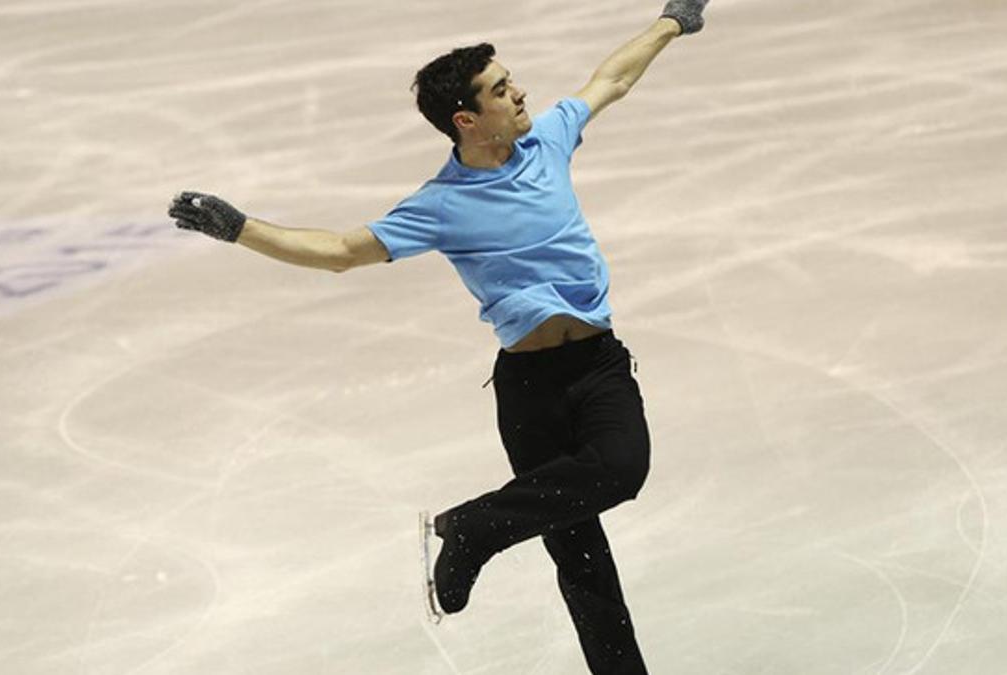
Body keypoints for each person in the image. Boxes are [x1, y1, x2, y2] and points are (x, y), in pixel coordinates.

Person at [167, 2, 709, 672]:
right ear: (466, 118)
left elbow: (613, 80)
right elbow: (340, 249)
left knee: (622, 470)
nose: (521, 93)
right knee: (582, 560)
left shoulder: (549, 139)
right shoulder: (441, 204)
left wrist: (673, 22)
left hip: (598, 365)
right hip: (529, 390)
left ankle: (472, 527)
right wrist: (239, 227)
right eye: (502, 89)